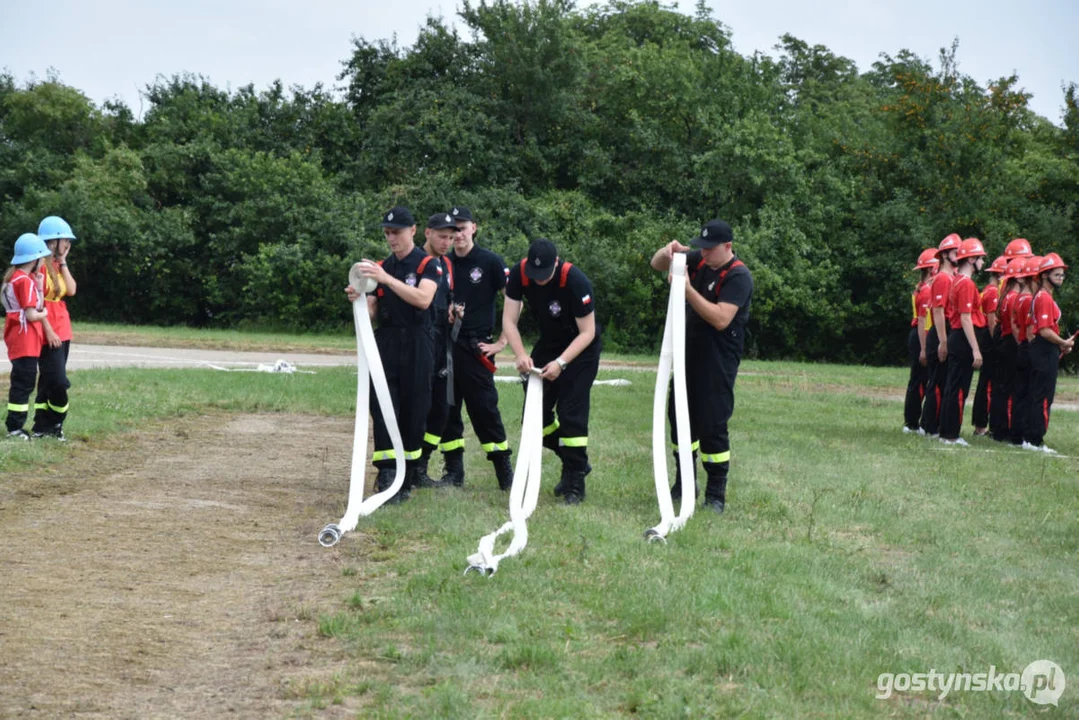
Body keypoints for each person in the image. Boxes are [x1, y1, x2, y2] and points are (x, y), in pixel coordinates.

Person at [650, 219, 754, 514]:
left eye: (710, 249)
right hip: (688, 354)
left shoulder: (738, 277)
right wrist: (667, 251)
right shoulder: (699, 262)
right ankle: (685, 482)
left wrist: (687, 291)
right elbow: (656, 264)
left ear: (728, 247)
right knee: (679, 417)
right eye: (701, 248)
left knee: (712, 425)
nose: (704, 254)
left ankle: (715, 493)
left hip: (718, 360)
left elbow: (721, 318)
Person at [345, 207, 441, 503]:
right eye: (387, 233)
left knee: (415, 408)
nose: (391, 238)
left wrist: (386, 279)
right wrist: (360, 298)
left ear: (413, 230)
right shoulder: (380, 267)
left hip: (418, 341)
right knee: (382, 405)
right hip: (386, 341)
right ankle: (387, 472)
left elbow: (424, 300)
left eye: (396, 232)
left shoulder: (428, 265)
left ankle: (407, 474)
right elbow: (374, 311)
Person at [503, 238, 601, 505]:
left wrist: (561, 363)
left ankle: (575, 484)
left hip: (580, 348)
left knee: (571, 414)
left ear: (555, 264)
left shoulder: (575, 280)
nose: (540, 282)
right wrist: (521, 354)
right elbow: (509, 320)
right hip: (549, 343)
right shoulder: (518, 274)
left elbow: (588, 332)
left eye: (545, 276)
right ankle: (573, 461)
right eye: (535, 277)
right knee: (534, 418)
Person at [437, 206, 514, 490]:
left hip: (476, 345)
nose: (458, 234)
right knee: (447, 408)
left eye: (462, 227)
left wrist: (503, 342)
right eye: (453, 229)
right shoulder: (442, 263)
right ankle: (453, 472)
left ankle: (504, 471)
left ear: (474, 228)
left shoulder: (490, 261)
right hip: (446, 345)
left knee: (484, 409)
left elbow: (513, 301)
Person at [414, 212, 459, 488]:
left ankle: (422, 465)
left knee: (442, 407)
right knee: (419, 405)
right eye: (443, 237)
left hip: (443, 341)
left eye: (452, 238)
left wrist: (454, 312)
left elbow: (448, 298)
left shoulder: (448, 264)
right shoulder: (415, 262)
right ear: (427, 233)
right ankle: (405, 467)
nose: (447, 243)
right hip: (421, 339)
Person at [3, 234, 54, 440]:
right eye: (41, 258)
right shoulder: (23, 281)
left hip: (20, 338)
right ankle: (15, 427)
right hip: (25, 340)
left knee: (23, 381)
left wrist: (40, 285)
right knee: (23, 383)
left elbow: (31, 305)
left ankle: (16, 425)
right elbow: (33, 313)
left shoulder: (16, 278)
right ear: (34, 259)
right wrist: (45, 314)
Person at [32, 216, 78, 440]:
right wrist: (48, 329)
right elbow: (36, 302)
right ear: (52, 242)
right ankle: (55, 422)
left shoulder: (58, 266)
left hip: (63, 329)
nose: (68, 244)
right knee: (58, 381)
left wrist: (64, 260)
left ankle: (43, 427)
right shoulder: (37, 266)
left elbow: (71, 290)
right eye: (65, 241)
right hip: (46, 330)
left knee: (48, 380)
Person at [938, 238, 987, 445]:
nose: (983, 263)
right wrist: (976, 349)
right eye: (981, 259)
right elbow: (966, 317)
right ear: (972, 259)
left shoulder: (957, 280)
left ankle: (947, 431)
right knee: (958, 389)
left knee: (953, 387)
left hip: (958, 337)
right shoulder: (965, 283)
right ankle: (950, 434)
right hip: (962, 338)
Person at [1024, 253, 1073, 453]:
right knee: (1042, 395)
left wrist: (1060, 345)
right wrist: (1063, 342)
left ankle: (1032, 437)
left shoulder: (1045, 296)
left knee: (1040, 393)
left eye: (1062, 275)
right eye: (1057, 274)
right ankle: (1034, 439)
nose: (1061, 277)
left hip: (1046, 349)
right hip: (1043, 350)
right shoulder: (1043, 297)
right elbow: (1044, 330)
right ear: (1045, 275)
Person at [919, 233, 961, 437]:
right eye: (956, 252)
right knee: (937, 382)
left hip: (945, 331)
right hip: (940, 332)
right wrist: (943, 341)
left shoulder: (951, 277)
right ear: (945, 255)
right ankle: (929, 426)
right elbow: (938, 311)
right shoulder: (943, 278)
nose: (960, 256)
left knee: (943, 382)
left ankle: (934, 423)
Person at [990, 255, 1029, 442]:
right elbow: (1015, 325)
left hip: (1004, 343)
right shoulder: (1015, 297)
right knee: (1010, 389)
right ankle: (1006, 429)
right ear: (1020, 278)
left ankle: (998, 428)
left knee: (1001, 388)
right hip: (1011, 344)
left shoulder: (1006, 296)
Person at [970, 254, 1006, 436]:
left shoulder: (990, 291)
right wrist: (997, 344)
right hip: (989, 341)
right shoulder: (993, 292)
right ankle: (981, 425)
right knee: (988, 384)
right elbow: (991, 323)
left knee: (988, 382)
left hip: (986, 340)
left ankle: (982, 423)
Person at [903, 248, 938, 433]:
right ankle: (912, 423)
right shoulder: (926, 291)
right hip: (920, 336)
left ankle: (915, 422)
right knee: (919, 381)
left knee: (921, 380)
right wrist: (924, 349)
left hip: (921, 334)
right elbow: (923, 320)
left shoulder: (923, 288)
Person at [1008, 255, 1041, 446]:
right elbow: (1029, 330)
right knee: (1028, 393)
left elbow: (1014, 324)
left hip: (1021, 347)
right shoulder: (1029, 300)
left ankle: (1016, 433)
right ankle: (1022, 434)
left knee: (1019, 394)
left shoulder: (1019, 298)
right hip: (1028, 348)